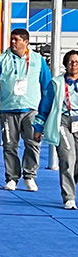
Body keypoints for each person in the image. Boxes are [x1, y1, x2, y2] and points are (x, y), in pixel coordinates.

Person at [0, 28, 52, 191]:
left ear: (26, 42)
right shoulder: (2, 59)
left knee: (33, 143)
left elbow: (46, 86)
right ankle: (12, 178)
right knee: (9, 145)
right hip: (8, 109)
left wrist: (46, 110)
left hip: (31, 109)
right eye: (11, 39)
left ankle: (29, 176)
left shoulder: (38, 60)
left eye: (17, 40)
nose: (13, 42)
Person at [33, 50, 78, 210]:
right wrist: (38, 128)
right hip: (63, 122)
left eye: (76, 62)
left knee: (76, 163)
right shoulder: (56, 83)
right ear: (66, 64)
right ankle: (69, 197)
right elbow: (44, 107)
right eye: (71, 61)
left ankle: (71, 184)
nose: (74, 64)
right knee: (67, 157)